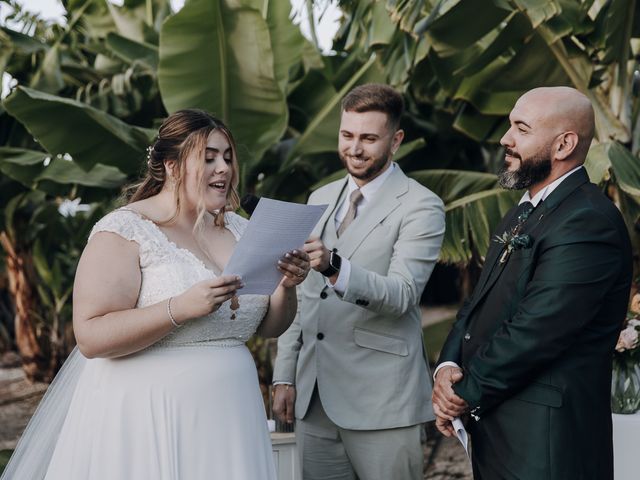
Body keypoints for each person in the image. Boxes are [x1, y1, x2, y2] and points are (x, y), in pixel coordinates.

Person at [1, 109, 310, 480]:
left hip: (232, 411)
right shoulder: (125, 231)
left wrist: (287, 288)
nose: (224, 168)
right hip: (149, 411)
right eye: (208, 157)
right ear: (173, 166)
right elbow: (91, 336)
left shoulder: (244, 231)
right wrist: (180, 308)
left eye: (227, 157)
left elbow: (270, 327)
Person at [432, 87, 632, 480]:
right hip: (500, 431)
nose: (506, 139)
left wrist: (461, 395)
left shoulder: (588, 221)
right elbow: (477, 305)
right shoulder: (521, 214)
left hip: (547, 443)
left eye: (521, 129)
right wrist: (448, 365)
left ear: (564, 144)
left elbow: (538, 329)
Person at [272, 83, 445, 480]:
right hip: (314, 398)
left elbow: (402, 294)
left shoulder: (421, 205)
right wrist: (284, 373)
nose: (354, 148)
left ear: (396, 139)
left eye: (369, 138)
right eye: (347, 135)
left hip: (381, 399)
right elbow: (301, 289)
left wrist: (335, 266)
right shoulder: (323, 194)